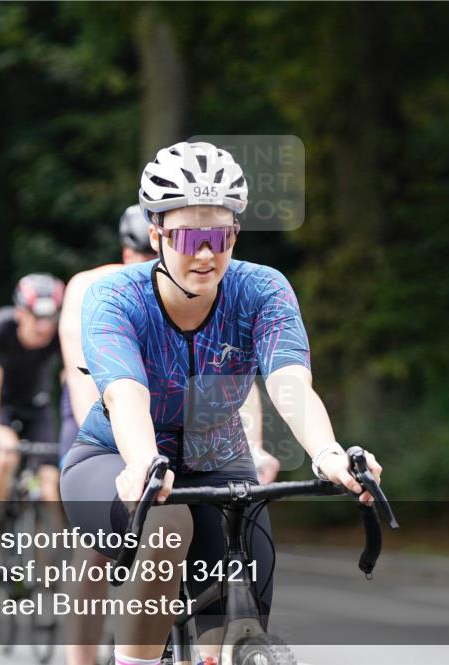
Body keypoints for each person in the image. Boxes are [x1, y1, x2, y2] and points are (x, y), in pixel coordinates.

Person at [60, 141, 383, 665]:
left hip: (218, 461)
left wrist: (328, 454)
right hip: (115, 457)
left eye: (222, 235)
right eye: (191, 236)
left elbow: (289, 385)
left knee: (237, 627)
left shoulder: (261, 290)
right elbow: (125, 394)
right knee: (170, 524)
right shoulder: (115, 297)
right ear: (157, 232)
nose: (207, 254)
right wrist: (144, 463)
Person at [57, 205, 281, 665]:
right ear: (140, 247)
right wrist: (130, 450)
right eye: (142, 251)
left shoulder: (218, 294)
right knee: (96, 553)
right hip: (108, 419)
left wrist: (254, 444)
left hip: (196, 437)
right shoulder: (98, 290)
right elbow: (93, 382)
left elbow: (236, 382)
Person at [0, 273, 65, 534]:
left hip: (37, 405)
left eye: (51, 318)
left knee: (49, 484)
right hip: (0, 405)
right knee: (4, 456)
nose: (44, 327)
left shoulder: (60, 333)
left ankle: (53, 566)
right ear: (20, 312)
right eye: (37, 318)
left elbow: (73, 380)